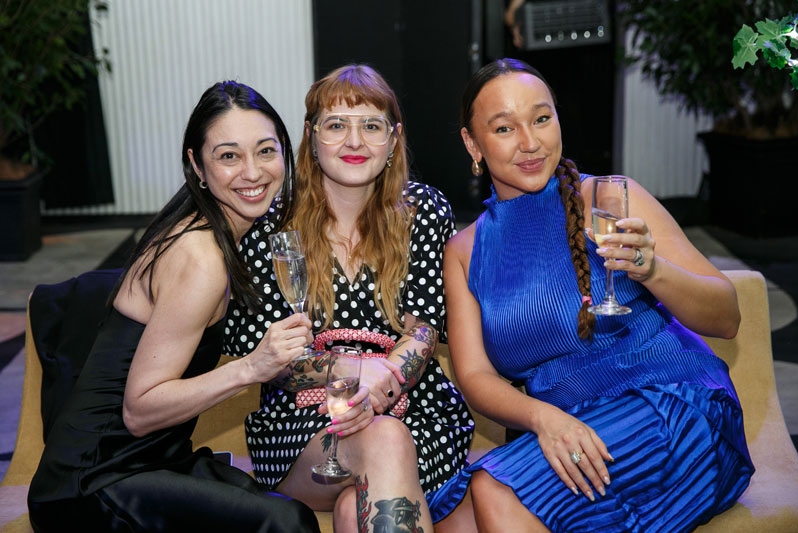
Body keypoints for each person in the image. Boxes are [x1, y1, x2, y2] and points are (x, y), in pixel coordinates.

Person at [428, 58, 754, 532]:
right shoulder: (464, 251)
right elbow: (475, 377)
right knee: (452, 521)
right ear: (472, 144)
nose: (530, 142)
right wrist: (543, 419)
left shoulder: (608, 199)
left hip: (670, 401)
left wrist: (652, 270)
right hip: (568, 424)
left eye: (542, 118)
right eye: (504, 128)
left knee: (494, 491)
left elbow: (726, 317)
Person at [27, 81, 320, 533]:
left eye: (266, 151)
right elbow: (139, 410)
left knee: (272, 505)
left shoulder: (215, 232)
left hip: (150, 460)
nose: (253, 171)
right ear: (197, 166)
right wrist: (252, 367)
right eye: (229, 156)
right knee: (286, 521)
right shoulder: (201, 256)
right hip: (93, 481)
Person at [223, 64, 476, 532]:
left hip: (415, 410)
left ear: (393, 139)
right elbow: (270, 358)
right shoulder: (271, 224)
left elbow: (423, 328)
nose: (354, 142)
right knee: (384, 441)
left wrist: (382, 385)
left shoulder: (424, 211)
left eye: (371, 126)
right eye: (337, 125)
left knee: (352, 508)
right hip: (301, 422)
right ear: (311, 136)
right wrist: (355, 371)